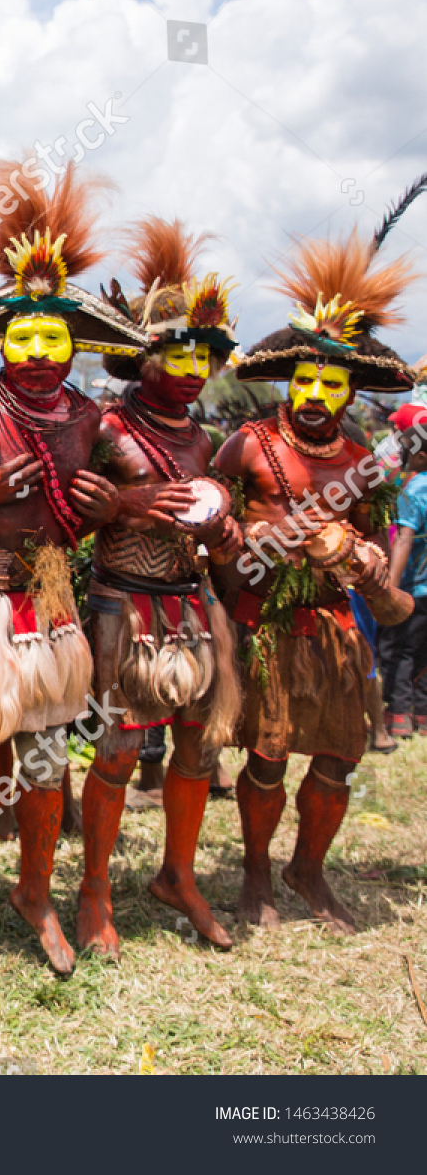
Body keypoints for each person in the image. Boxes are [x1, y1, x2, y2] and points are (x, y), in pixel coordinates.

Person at [0, 161, 138, 980]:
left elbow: (131, 491)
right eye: (23, 336)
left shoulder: (90, 417)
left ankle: (35, 890)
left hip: (48, 590)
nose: (39, 351)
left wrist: (113, 509)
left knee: (47, 760)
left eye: (54, 338)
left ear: (74, 343)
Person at [215, 208, 421, 936]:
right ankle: (257, 872)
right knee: (267, 755)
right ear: (289, 378)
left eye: (329, 384)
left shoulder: (364, 456)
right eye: (304, 378)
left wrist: (363, 558)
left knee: (338, 756)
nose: (312, 394)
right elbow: (216, 539)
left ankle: (309, 867)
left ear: (351, 392)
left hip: (334, 630)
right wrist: (260, 539)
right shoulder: (247, 444)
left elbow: (375, 540)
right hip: (266, 624)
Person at [75, 218, 245, 958]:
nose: (192, 365)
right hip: (122, 602)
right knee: (114, 751)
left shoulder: (201, 438)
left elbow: (211, 525)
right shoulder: (106, 427)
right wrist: (125, 504)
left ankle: (177, 875)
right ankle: (94, 890)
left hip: (188, 602)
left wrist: (220, 532)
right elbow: (68, 509)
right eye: (174, 351)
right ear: (138, 356)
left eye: (202, 353)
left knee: (199, 749)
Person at [379, 402, 427, 739]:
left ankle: (398, 715)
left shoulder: (414, 490)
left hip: (415, 590)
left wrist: (390, 589)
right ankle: (422, 714)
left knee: (401, 650)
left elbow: (404, 540)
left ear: (420, 457)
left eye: (408, 454)